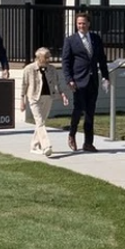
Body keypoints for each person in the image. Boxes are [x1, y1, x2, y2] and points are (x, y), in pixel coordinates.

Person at [61, 11, 110, 152]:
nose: (81, 26)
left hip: (92, 80)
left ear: (89, 23)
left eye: (83, 23)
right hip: (78, 80)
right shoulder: (70, 40)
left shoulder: (95, 38)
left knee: (90, 112)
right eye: (79, 23)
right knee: (78, 109)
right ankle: (72, 134)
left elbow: (102, 59)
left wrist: (105, 77)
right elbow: (66, 62)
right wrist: (69, 79)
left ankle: (88, 143)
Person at [21, 47, 68, 156]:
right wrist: (22, 101)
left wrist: (62, 94)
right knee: (40, 121)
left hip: (48, 97)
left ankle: (34, 145)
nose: (48, 59)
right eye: (45, 57)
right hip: (34, 98)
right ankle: (46, 146)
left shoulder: (52, 69)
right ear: (38, 57)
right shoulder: (29, 69)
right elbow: (24, 85)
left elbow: (58, 83)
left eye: (49, 56)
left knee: (41, 122)